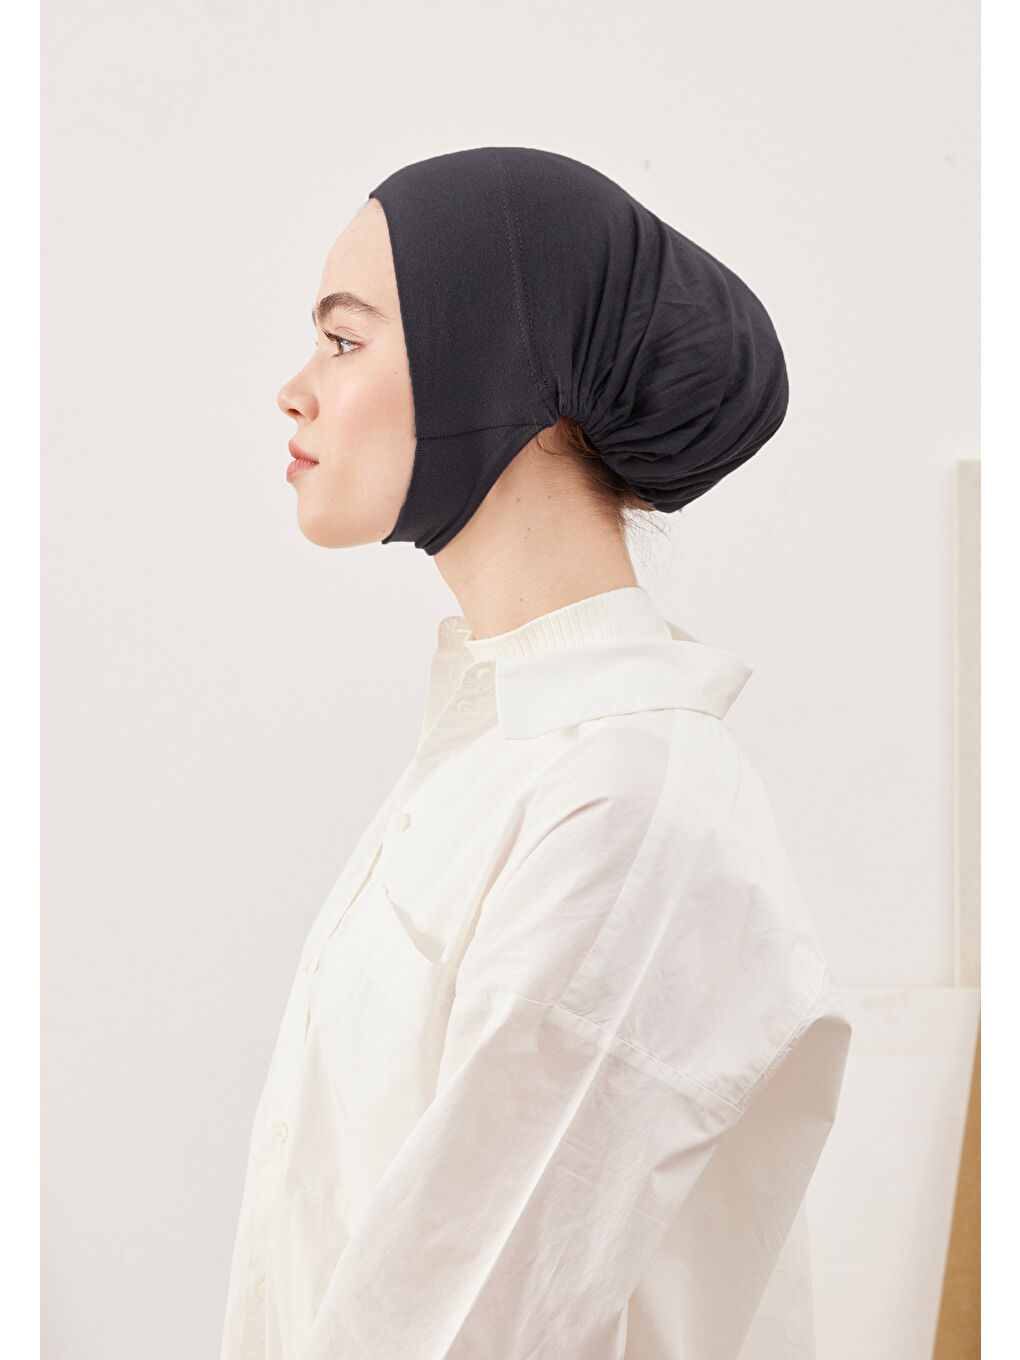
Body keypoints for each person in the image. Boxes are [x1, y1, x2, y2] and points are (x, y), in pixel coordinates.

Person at [219, 148, 852, 1360]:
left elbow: (466, 1325)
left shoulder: (626, 797)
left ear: (502, 364)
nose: (294, 391)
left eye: (344, 341)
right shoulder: (499, 751)